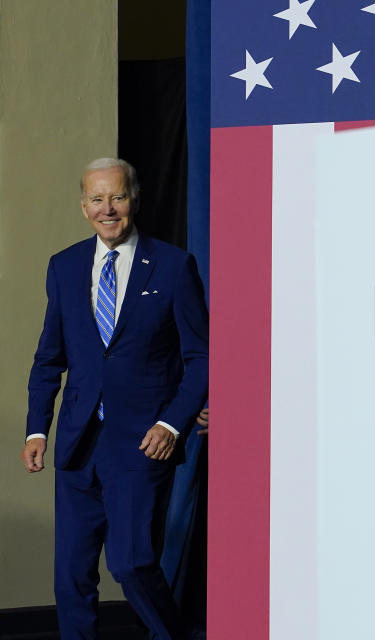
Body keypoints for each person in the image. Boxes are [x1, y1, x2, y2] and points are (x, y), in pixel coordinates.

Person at [20, 158, 208, 640]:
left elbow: (202, 357)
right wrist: (38, 428)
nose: (108, 209)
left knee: (132, 564)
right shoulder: (63, 267)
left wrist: (172, 424)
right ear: (84, 206)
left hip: (142, 445)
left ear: (134, 199)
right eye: (97, 199)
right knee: (71, 576)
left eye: (117, 197)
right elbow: (49, 359)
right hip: (78, 444)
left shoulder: (172, 265)